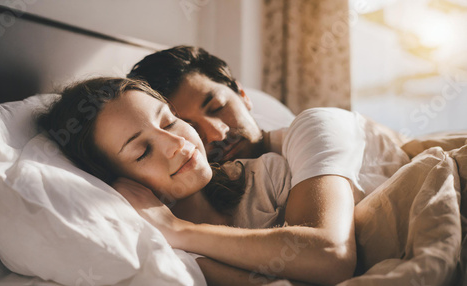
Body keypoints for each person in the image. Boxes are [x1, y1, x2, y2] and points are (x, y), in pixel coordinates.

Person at [38, 77, 363, 285]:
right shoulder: (155, 253)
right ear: (116, 183)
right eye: (142, 151)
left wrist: (180, 231)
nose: (177, 144)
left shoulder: (267, 176)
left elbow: (329, 257)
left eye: (169, 121)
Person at [127, 46, 268, 164]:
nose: (216, 135)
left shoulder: (290, 143)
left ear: (243, 95)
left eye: (217, 107)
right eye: (191, 128)